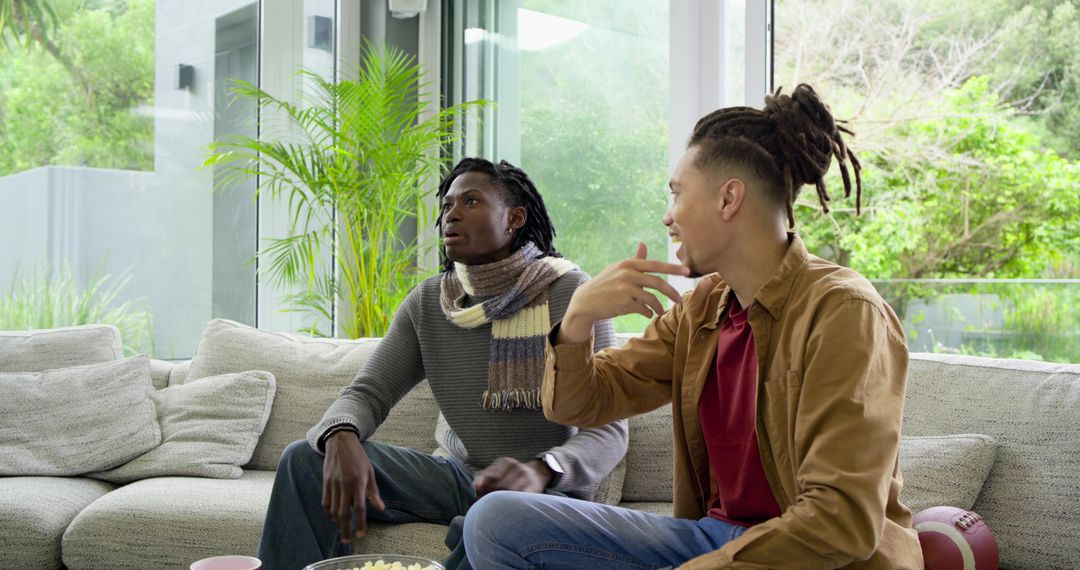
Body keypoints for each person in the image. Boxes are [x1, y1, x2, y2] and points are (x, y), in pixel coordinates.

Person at [463, 85, 923, 568]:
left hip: (810, 556)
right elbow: (582, 403)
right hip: (713, 539)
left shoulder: (844, 313)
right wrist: (577, 318)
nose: (668, 217)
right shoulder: (703, 308)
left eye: (677, 194)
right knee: (496, 519)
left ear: (729, 199)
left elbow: (840, 521)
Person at [257, 157, 626, 570]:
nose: (452, 213)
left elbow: (608, 431)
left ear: (515, 219)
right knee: (304, 460)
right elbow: (368, 393)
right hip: (455, 476)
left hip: (544, 490)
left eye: (471, 202)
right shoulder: (429, 302)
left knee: (499, 521)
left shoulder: (573, 292)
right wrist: (340, 434)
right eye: (448, 205)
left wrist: (542, 470)